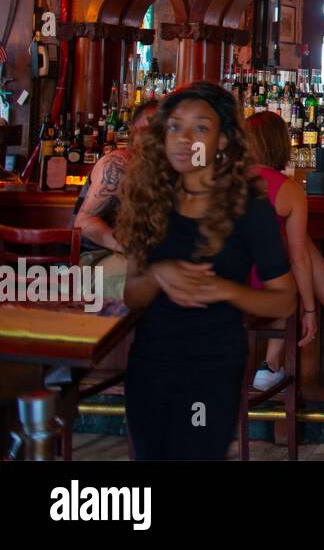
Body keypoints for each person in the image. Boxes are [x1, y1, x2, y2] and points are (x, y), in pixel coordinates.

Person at [117, 82, 297, 460]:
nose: (185, 138)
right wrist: (158, 275)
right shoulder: (149, 200)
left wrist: (223, 290)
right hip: (150, 362)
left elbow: (284, 300)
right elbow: (132, 297)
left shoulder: (248, 206)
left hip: (212, 365)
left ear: (222, 142)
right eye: (174, 127)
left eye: (200, 128)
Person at [244, 112, 324, 392]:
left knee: (295, 240)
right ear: (281, 144)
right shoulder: (288, 190)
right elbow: (298, 259)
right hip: (260, 290)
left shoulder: (217, 181)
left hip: (217, 287)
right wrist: (309, 310)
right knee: (291, 258)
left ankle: (271, 366)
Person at [72, 101, 159, 303]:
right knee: (137, 285)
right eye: (147, 130)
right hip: (96, 256)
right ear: (133, 132)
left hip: (146, 257)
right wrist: (130, 249)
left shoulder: (169, 172)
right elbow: (84, 222)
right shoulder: (118, 164)